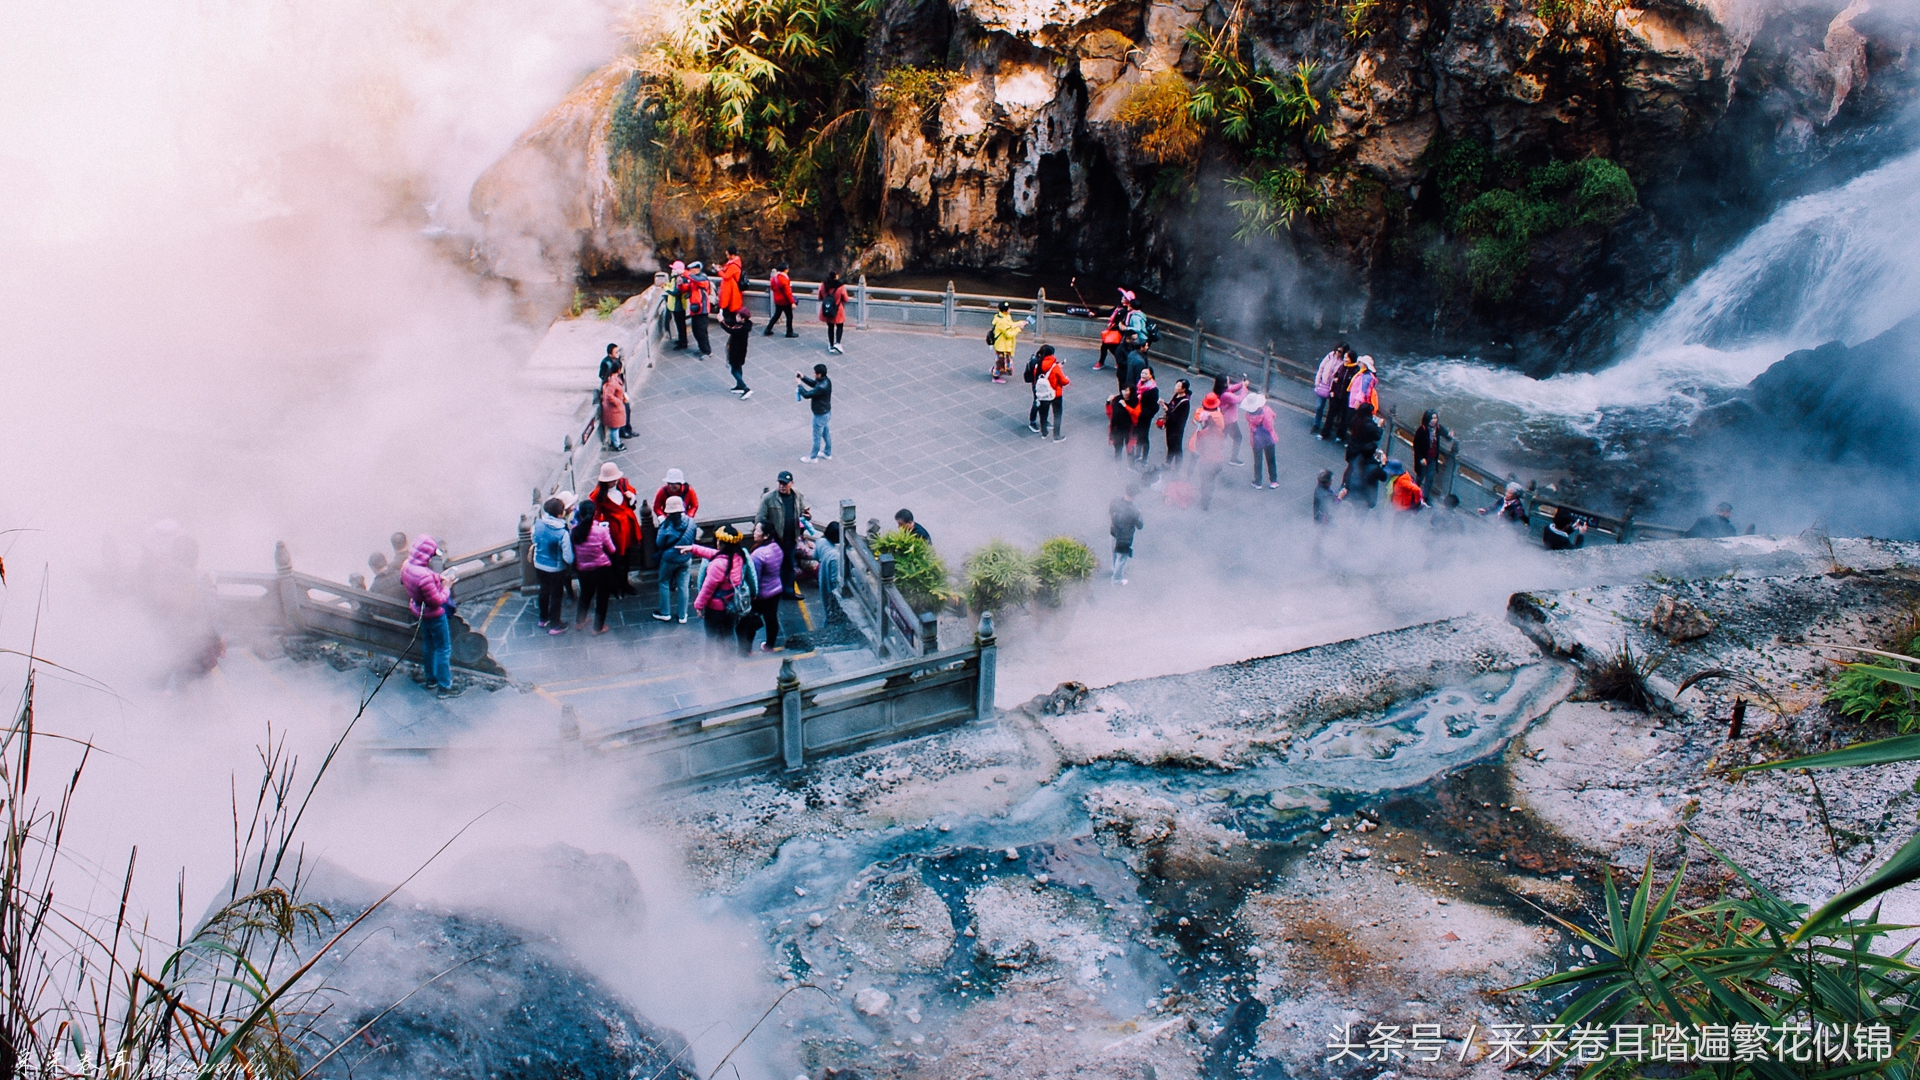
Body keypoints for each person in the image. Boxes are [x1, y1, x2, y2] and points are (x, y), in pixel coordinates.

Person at [685, 525, 758, 652]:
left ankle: (710, 664)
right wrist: (693, 549)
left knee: (711, 637)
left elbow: (707, 588)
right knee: (730, 633)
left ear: (722, 543)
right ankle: (730, 665)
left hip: (715, 608)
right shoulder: (739, 556)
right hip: (732, 605)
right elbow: (713, 553)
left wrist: (698, 605)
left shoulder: (717, 564)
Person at [400, 536, 457, 695]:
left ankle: (430, 679)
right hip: (435, 616)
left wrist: (437, 578)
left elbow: (408, 582)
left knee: (428, 646)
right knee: (443, 649)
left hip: (419, 611)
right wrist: (446, 586)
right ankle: (444, 687)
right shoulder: (425, 576)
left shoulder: (406, 565)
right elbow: (437, 601)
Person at [756, 470, 810, 595]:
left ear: (792, 483)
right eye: (780, 483)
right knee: (773, 567)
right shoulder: (768, 498)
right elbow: (760, 518)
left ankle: (789, 591)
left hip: (791, 538)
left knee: (789, 565)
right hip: (775, 540)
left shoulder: (797, 495)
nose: (782, 486)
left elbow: (802, 511)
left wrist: (806, 516)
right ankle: (774, 591)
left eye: (785, 483)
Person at [591, 462, 642, 594]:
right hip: (613, 530)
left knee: (627, 557)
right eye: (610, 481)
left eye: (614, 480)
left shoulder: (623, 484)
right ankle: (615, 585)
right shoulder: (598, 494)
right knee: (613, 559)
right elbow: (595, 514)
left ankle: (625, 583)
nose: (614, 482)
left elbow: (632, 492)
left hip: (628, 526)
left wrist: (631, 496)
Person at [570, 501, 616, 634]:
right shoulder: (601, 530)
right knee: (602, 598)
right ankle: (598, 627)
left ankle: (580, 621)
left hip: (583, 569)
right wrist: (606, 532)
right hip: (601, 568)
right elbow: (612, 549)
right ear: (595, 513)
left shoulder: (574, 531)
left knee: (585, 594)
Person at [652, 495, 698, 623]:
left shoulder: (665, 526)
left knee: (664, 582)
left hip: (669, 559)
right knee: (684, 584)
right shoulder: (691, 522)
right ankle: (683, 615)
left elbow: (659, 543)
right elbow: (694, 537)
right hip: (686, 557)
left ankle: (665, 612)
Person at [532, 497, 574, 634]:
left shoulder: (538, 524)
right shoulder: (562, 533)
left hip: (539, 564)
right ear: (560, 514)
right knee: (556, 595)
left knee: (543, 590)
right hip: (555, 568)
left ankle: (542, 619)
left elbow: (534, 539)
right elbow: (568, 556)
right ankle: (555, 624)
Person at [748, 524, 787, 650]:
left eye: (757, 531)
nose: (754, 532)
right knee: (771, 618)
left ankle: (747, 649)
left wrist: (752, 595)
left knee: (750, 620)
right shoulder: (777, 546)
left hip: (762, 594)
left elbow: (755, 578)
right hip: (776, 589)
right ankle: (769, 645)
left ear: (765, 536)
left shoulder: (758, 555)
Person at [1188, 392, 1228, 509]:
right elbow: (1223, 444)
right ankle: (1206, 498)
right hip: (1218, 460)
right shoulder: (1219, 431)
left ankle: (1204, 500)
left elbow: (1199, 447)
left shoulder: (1202, 431)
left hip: (1206, 461)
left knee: (1205, 481)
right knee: (1210, 481)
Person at [1109, 484, 1144, 584]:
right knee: (1122, 558)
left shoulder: (1115, 502)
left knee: (1114, 553)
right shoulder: (1134, 510)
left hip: (1114, 532)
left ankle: (1113, 568)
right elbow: (1140, 525)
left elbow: (1110, 513)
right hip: (1125, 538)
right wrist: (1139, 513)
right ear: (1135, 495)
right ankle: (1116, 579)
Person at [1312, 344, 1350, 438]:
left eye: (1340, 351)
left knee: (1332, 410)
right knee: (1319, 406)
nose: (1337, 352)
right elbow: (1321, 368)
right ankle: (1316, 424)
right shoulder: (1330, 356)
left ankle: (1328, 427)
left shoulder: (1344, 362)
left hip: (1334, 388)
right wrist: (1317, 381)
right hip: (1324, 384)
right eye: (1337, 350)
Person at [988, 301, 1031, 382]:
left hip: (1005, 345)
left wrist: (1020, 323)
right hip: (1002, 345)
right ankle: (995, 376)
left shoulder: (1005, 316)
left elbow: (1010, 325)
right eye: (1009, 308)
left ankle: (995, 371)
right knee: (1001, 363)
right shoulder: (1001, 321)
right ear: (1005, 310)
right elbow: (1008, 334)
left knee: (1002, 361)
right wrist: (1019, 328)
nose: (1010, 310)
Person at [798, 363, 832, 461]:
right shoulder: (826, 381)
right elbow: (814, 384)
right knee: (825, 433)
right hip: (826, 412)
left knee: (816, 436)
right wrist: (803, 378)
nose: (814, 374)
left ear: (819, 374)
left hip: (820, 414)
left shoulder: (822, 387)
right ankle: (827, 452)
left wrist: (799, 385)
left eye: (815, 373)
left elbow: (807, 394)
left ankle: (812, 457)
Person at [1322, 350, 1359, 442]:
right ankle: (1324, 433)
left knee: (1344, 417)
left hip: (1346, 397)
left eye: (1347, 357)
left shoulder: (1355, 370)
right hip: (1336, 395)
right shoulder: (1342, 367)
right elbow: (1335, 379)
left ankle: (1340, 435)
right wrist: (1332, 390)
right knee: (1330, 415)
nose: (1345, 359)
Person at [1244, 392, 1278, 489]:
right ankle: (1273, 481)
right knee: (1271, 459)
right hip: (1268, 438)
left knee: (1257, 460)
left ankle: (1258, 482)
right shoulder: (1266, 410)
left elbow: (1250, 423)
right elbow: (1270, 424)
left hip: (1256, 439)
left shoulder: (1248, 414)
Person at [1412, 410, 1451, 494]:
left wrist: (1450, 436)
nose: (1434, 420)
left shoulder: (1438, 428)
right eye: (1432, 418)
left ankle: (1425, 496)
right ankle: (1414, 493)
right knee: (1420, 477)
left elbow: (1446, 435)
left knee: (1430, 478)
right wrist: (1421, 458)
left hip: (1432, 458)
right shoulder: (1422, 430)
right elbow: (1416, 446)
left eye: (1435, 418)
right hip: (1423, 458)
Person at [1034, 347, 1069, 441]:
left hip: (1043, 394)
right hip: (1056, 394)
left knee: (1043, 413)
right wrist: (1067, 378)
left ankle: (1044, 433)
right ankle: (1056, 435)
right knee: (1057, 414)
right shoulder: (1055, 367)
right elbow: (1064, 381)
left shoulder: (1038, 364)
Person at [1218, 376, 1249, 466]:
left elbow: (1231, 388)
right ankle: (1233, 458)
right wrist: (1244, 388)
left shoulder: (1222, 390)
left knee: (1222, 438)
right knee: (1238, 437)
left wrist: (1241, 384)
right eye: (1228, 381)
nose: (1229, 381)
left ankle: (1214, 454)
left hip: (1225, 419)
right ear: (1224, 383)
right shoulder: (1226, 395)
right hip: (1230, 420)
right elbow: (1239, 399)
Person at [600, 358, 630, 451]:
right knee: (615, 427)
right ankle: (616, 444)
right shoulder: (612, 382)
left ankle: (617, 442)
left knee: (616, 427)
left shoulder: (614, 378)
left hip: (616, 407)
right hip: (614, 409)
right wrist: (618, 402)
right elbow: (609, 396)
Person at [1160, 379, 1191, 467]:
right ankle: (1168, 462)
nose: (1175, 387)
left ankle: (1176, 466)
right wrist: (1164, 404)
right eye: (1176, 385)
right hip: (1170, 426)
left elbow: (1178, 418)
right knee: (1170, 445)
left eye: (1178, 386)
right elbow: (1171, 406)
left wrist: (1167, 411)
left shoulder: (1185, 403)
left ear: (1183, 389)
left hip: (1177, 429)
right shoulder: (1176, 396)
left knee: (1176, 447)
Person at [1132, 368, 1160, 465]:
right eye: (1142, 373)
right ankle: (1137, 454)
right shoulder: (1140, 384)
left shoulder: (1153, 389)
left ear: (1151, 375)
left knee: (1144, 436)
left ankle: (1144, 458)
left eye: (1145, 373)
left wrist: (1146, 414)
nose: (1143, 375)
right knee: (1138, 435)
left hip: (1145, 416)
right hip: (1137, 414)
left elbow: (1155, 406)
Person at [1096, 293, 1131, 371]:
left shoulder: (1125, 311)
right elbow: (1108, 312)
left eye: (1125, 297)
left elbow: (1122, 322)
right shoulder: (1118, 308)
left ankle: (1118, 362)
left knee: (1110, 347)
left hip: (1116, 331)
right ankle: (1118, 361)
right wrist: (1096, 314)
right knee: (1108, 347)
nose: (1122, 298)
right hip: (1112, 330)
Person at [686, 260, 714, 356]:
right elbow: (686, 288)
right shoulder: (693, 280)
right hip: (695, 309)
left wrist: (684, 273)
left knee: (702, 331)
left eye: (691, 269)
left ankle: (707, 351)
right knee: (695, 330)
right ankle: (701, 348)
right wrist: (680, 284)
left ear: (697, 269)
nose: (690, 271)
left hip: (702, 309)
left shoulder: (703, 278)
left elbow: (698, 281)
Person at [819, 271, 848, 354]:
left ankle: (831, 345)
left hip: (828, 309)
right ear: (836, 276)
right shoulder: (840, 287)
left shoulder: (823, 285)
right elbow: (846, 299)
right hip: (838, 310)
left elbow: (820, 297)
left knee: (830, 327)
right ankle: (838, 343)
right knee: (840, 326)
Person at [765, 262, 797, 337]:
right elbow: (787, 292)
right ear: (785, 270)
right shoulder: (784, 279)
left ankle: (768, 329)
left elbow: (772, 288)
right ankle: (789, 332)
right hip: (785, 301)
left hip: (777, 299)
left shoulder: (774, 278)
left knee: (776, 315)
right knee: (789, 316)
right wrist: (792, 302)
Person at [1107, 388, 1139, 460]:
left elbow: (1135, 414)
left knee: (1130, 449)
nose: (1124, 392)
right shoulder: (1117, 400)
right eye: (1123, 390)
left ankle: (1131, 465)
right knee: (1118, 449)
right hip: (1118, 429)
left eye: (1127, 390)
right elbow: (1110, 414)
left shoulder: (1134, 401)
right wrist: (1108, 402)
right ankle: (1118, 468)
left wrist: (1125, 406)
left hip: (1129, 430)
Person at [816, 520, 842, 604]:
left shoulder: (820, 541)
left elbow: (815, 555)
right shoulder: (835, 555)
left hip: (822, 573)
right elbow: (834, 580)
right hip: (830, 585)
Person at [668, 260, 690, 350]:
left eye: (674, 269)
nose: (672, 270)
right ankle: (681, 339)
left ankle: (683, 343)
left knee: (681, 324)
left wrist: (664, 287)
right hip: (676, 306)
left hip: (679, 306)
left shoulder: (681, 279)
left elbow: (675, 292)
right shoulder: (675, 278)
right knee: (679, 324)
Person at [717, 247, 745, 317]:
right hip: (731, 287)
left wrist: (718, 271)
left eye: (727, 255)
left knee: (729, 305)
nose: (727, 256)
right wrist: (722, 268)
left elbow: (726, 276)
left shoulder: (733, 265)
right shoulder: (733, 263)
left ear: (732, 255)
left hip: (731, 288)